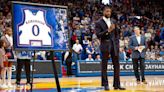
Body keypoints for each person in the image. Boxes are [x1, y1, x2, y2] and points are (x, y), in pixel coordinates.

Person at [95, 5, 125, 90]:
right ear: (104, 12)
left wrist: (118, 44)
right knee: (104, 66)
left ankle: (117, 85)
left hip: (114, 46)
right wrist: (107, 31)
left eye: (110, 11)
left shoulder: (113, 21)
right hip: (105, 45)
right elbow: (98, 35)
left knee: (117, 65)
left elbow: (116, 34)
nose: (109, 13)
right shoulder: (99, 22)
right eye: (107, 11)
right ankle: (105, 84)